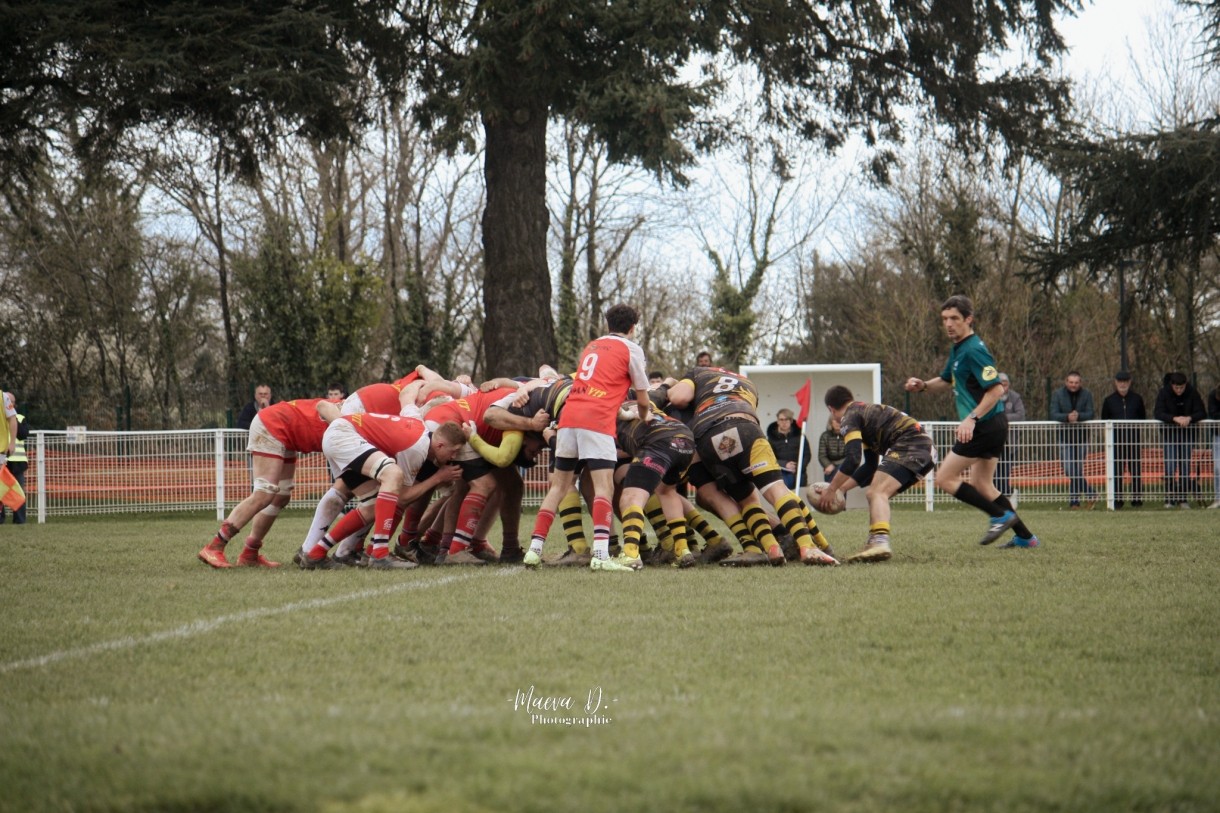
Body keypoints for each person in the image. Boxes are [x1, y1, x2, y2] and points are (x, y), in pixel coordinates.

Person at [523, 303, 653, 572]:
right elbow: (642, 397)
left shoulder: (592, 346)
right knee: (604, 488)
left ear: (608, 325)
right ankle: (601, 554)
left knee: (558, 487)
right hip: (597, 421)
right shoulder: (631, 348)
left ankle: (534, 551)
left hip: (569, 417)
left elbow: (599, 388)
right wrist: (643, 416)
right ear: (632, 327)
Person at [904, 294, 1038, 549]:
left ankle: (1000, 516)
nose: (948, 324)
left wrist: (971, 419)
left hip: (984, 425)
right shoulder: (959, 349)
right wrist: (922, 386)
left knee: (944, 478)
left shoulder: (974, 350)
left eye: (954, 318)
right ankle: (1025, 537)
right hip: (991, 424)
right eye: (944, 319)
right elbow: (945, 380)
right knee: (983, 485)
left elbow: (996, 389)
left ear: (968, 319)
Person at [200, 396, 338, 568]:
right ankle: (215, 546)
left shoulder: (357, 412)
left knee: (280, 496)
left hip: (286, 433)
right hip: (273, 425)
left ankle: (250, 553)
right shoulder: (354, 417)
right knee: (264, 493)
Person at [818, 386, 936, 562]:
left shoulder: (849, 417)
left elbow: (852, 459)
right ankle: (875, 542)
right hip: (926, 450)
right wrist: (841, 489)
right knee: (876, 495)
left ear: (831, 408)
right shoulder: (864, 413)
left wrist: (831, 489)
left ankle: (879, 541)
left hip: (910, 445)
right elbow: (869, 466)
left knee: (876, 493)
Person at [1153, 372, 1206, 509]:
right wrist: (1174, 418)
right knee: (1170, 466)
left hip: (1188, 435)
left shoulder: (1192, 392)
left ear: (1185, 385)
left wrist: (1189, 418)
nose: (1179, 390)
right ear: (1172, 385)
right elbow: (1158, 412)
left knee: (1185, 467)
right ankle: (1169, 499)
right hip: (1169, 435)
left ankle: (1183, 498)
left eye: (1181, 388)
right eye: (1176, 388)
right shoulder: (1164, 393)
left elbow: (1201, 412)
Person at [1049, 371, 1097, 509]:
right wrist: (1067, 417)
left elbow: (1090, 413)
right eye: (1071, 382)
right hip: (1064, 437)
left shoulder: (1087, 394)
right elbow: (1053, 414)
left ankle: (1074, 502)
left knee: (1077, 470)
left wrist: (1078, 416)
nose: (1073, 385)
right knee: (1069, 469)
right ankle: (1090, 492)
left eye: (1076, 383)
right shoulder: (1058, 394)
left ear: (1080, 383)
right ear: (1066, 382)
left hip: (1082, 438)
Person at [1100, 371, 1146, 508]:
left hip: (1133, 440)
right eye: (1120, 381)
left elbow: (1142, 418)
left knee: (1136, 470)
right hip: (1115, 442)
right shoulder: (1109, 400)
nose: (1123, 384)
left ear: (1130, 382)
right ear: (1115, 382)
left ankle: (1137, 500)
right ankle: (1117, 500)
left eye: (1125, 381)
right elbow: (1105, 420)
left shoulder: (1137, 399)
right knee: (1117, 471)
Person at [993, 372, 1026, 497]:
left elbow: (1020, 415)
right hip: (993, 441)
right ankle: (995, 496)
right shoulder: (989, 397)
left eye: (1005, 385)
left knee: (1005, 470)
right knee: (993, 471)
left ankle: (1006, 494)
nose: (1003, 387)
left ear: (1009, 385)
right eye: (1000, 384)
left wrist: (1002, 418)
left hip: (1010, 441)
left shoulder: (1015, 397)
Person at [766, 408, 811, 490]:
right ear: (777, 421)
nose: (784, 422)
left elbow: (807, 454)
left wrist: (798, 467)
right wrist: (785, 464)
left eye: (786, 420)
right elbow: (770, 457)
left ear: (791, 421)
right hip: (782, 473)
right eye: (781, 420)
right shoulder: (772, 438)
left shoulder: (800, 436)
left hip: (800, 473)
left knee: (801, 497)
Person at [0, 394, 27, 524]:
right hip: (5, 457)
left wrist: (13, 418)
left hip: (16, 460)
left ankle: (20, 520)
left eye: (12, 402)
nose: (11, 404)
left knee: (16, 489)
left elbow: (22, 434)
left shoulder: (19, 417)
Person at [817, 415, 846, 482]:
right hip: (829, 467)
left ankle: (833, 491)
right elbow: (822, 455)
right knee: (830, 471)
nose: (838, 423)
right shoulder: (825, 436)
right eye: (835, 420)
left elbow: (850, 456)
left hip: (844, 465)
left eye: (840, 421)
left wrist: (833, 465)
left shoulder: (847, 435)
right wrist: (828, 465)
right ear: (830, 422)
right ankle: (832, 490)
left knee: (838, 470)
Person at [1208, 384, 1220, 509]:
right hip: (1218, 435)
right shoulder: (1213, 396)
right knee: (1218, 468)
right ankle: (1218, 498)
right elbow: (1213, 414)